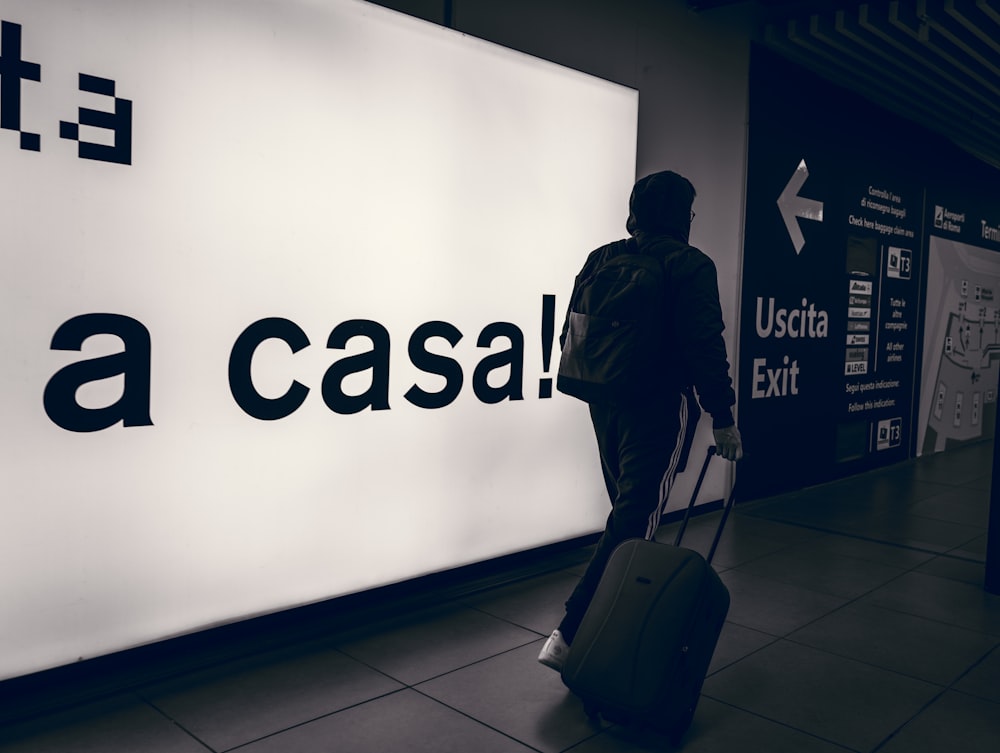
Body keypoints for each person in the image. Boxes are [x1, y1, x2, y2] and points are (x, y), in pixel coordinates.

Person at [538, 169, 743, 671]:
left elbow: (572, 328)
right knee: (636, 518)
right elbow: (704, 344)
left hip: (604, 398)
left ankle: (603, 618)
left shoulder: (601, 257)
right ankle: (577, 628)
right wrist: (723, 415)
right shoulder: (691, 265)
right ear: (683, 217)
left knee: (626, 514)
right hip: (658, 403)